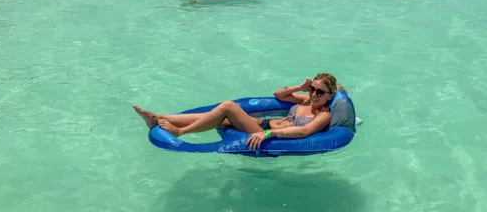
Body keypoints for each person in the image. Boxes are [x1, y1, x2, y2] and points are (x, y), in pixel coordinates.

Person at [133, 73, 346, 151]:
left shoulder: (324, 114)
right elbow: (278, 93)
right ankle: (159, 117)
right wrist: (298, 87)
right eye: (313, 88)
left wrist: (267, 134)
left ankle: (181, 132)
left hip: (265, 134)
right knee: (219, 118)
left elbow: (303, 132)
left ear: (329, 95)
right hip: (262, 124)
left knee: (228, 107)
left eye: (320, 91)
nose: (315, 93)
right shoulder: (307, 98)